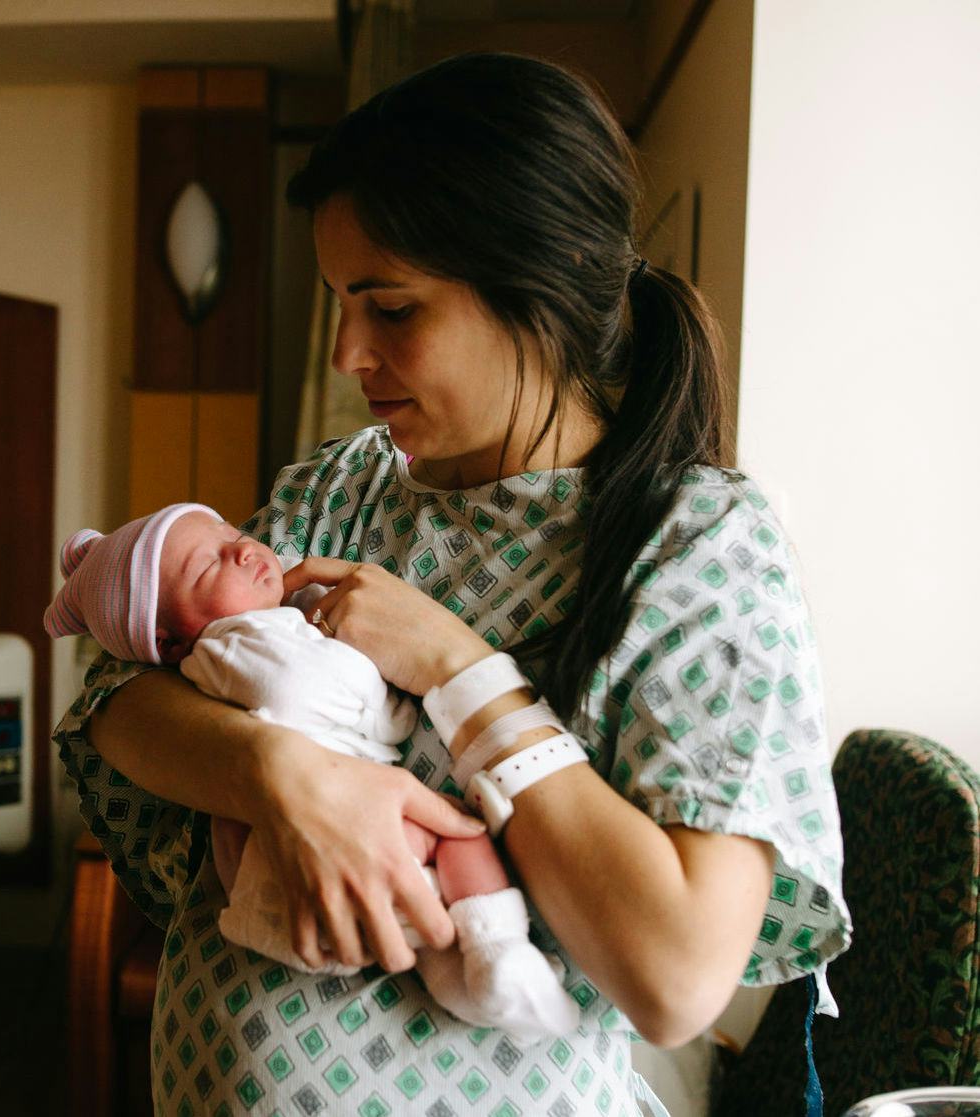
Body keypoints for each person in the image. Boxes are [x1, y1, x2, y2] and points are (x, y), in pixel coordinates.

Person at [53, 52, 851, 1117]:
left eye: (390, 308)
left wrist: (462, 671)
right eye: (340, 303)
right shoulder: (338, 489)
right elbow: (118, 699)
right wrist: (285, 777)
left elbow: (677, 975)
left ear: (548, 279)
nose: (346, 353)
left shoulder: (694, 544)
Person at [44, 501, 579, 1043]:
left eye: (229, 531)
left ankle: (471, 986)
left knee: (424, 932)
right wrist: (392, 712)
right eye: (207, 565)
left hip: (290, 890)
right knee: (458, 834)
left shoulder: (242, 638)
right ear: (169, 643)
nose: (242, 549)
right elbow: (318, 691)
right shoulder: (241, 642)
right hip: (310, 863)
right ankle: (498, 948)